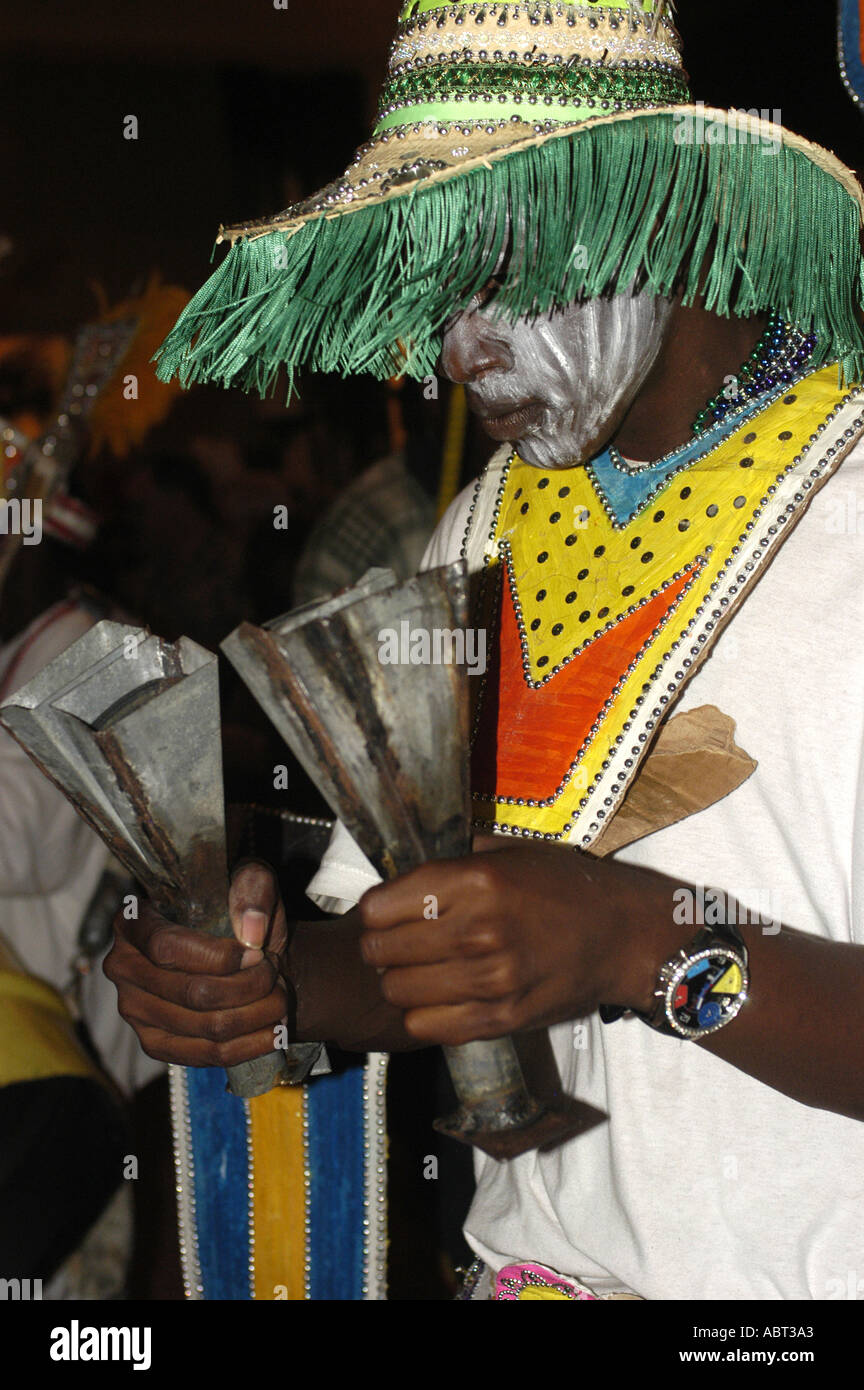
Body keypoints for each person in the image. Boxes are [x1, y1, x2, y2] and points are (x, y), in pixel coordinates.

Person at [106, 0, 864, 1300]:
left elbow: (602, 937)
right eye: (440, 282)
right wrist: (274, 981)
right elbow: (427, 941)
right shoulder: (477, 530)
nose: (463, 347)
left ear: (662, 203)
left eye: (506, 265)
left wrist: (641, 940)